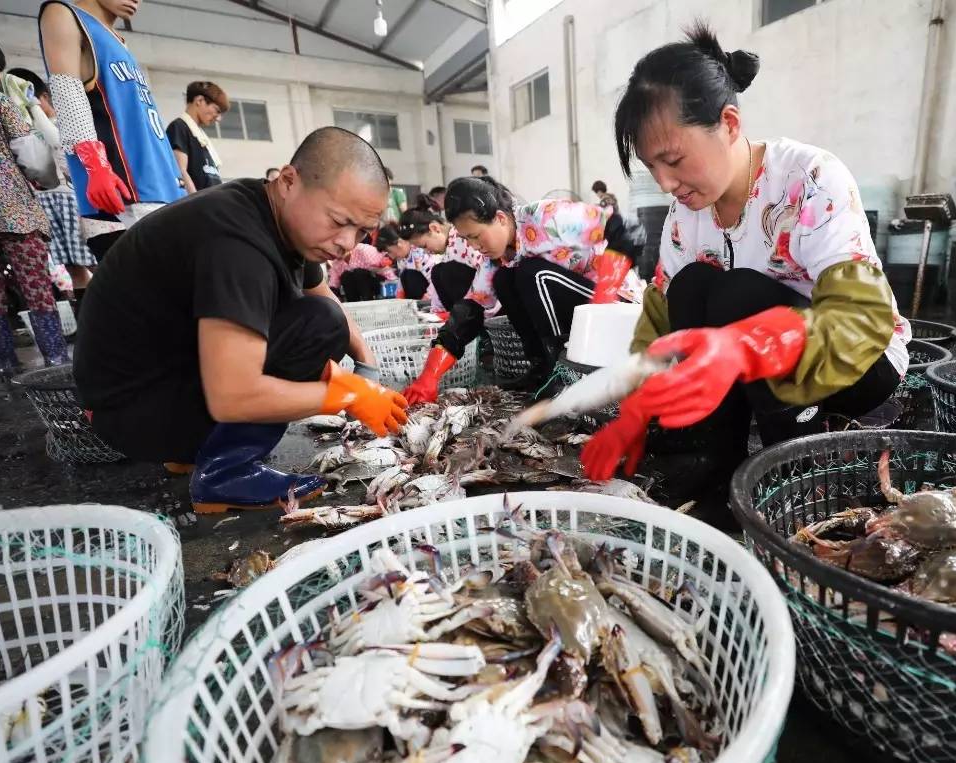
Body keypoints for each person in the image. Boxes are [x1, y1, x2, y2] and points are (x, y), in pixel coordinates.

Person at [583, 23, 908, 499]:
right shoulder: (685, 214)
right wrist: (634, 410)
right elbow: (658, 323)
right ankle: (716, 458)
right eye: (653, 168)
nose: (666, 183)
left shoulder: (809, 178)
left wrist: (747, 346)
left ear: (729, 124)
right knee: (690, 285)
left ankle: (794, 459)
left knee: (739, 294)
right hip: (754, 364)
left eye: (673, 159)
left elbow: (862, 318)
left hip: (856, 360)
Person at [73, 127, 408, 512]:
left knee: (324, 316)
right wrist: (347, 395)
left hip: (141, 393)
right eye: (338, 221)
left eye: (362, 230)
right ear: (288, 181)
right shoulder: (236, 244)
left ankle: (199, 449)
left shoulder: (267, 210)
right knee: (319, 326)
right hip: (131, 413)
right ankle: (226, 474)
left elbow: (320, 290)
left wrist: (366, 365)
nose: (348, 244)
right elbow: (233, 397)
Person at [400, 177, 645, 405]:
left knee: (531, 273)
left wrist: (603, 300)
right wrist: (428, 378)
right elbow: (470, 311)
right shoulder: (496, 260)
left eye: (476, 236)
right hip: (581, 316)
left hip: (614, 308)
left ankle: (563, 372)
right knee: (504, 279)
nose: (475, 247)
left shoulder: (546, 217)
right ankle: (542, 369)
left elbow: (627, 230)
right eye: (467, 240)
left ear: (500, 218)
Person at [40, 0, 185, 263]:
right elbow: (67, 93)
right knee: (150, 295)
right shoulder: (64, 14)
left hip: (162, 187)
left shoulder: (116, 40)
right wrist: (95, 165)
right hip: (124, 196)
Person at [0, 24, 68, 380]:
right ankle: (55, 359)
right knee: (35, 285)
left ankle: (8, 366)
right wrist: (46, 182)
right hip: (15, 214)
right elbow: (35, 159)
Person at [7, 67, 98, 297]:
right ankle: (84, 312)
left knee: (91, 259)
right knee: (71, 265)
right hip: (44, 200)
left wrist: (34, 107)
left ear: (44, 97)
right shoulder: (25, 128)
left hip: (69, 199)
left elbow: (55, 141)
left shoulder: (59, 123)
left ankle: (114, 304)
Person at [167, 80, 227, 194]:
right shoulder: (179, 127)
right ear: (199, 100)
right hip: (198, 206)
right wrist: (195, 205)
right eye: (217, 110)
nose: (218, 119)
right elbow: (180, 171)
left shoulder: (201, 136)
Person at [327, 229, 396, 302]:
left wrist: (393, 283)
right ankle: (353, 303)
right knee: (346, 275)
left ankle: (368, 300)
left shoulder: (363, 250)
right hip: (359, 286)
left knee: (358, 272)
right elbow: (333, 284)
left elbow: (385, 265)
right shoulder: (336, 263)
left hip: (379, 282)